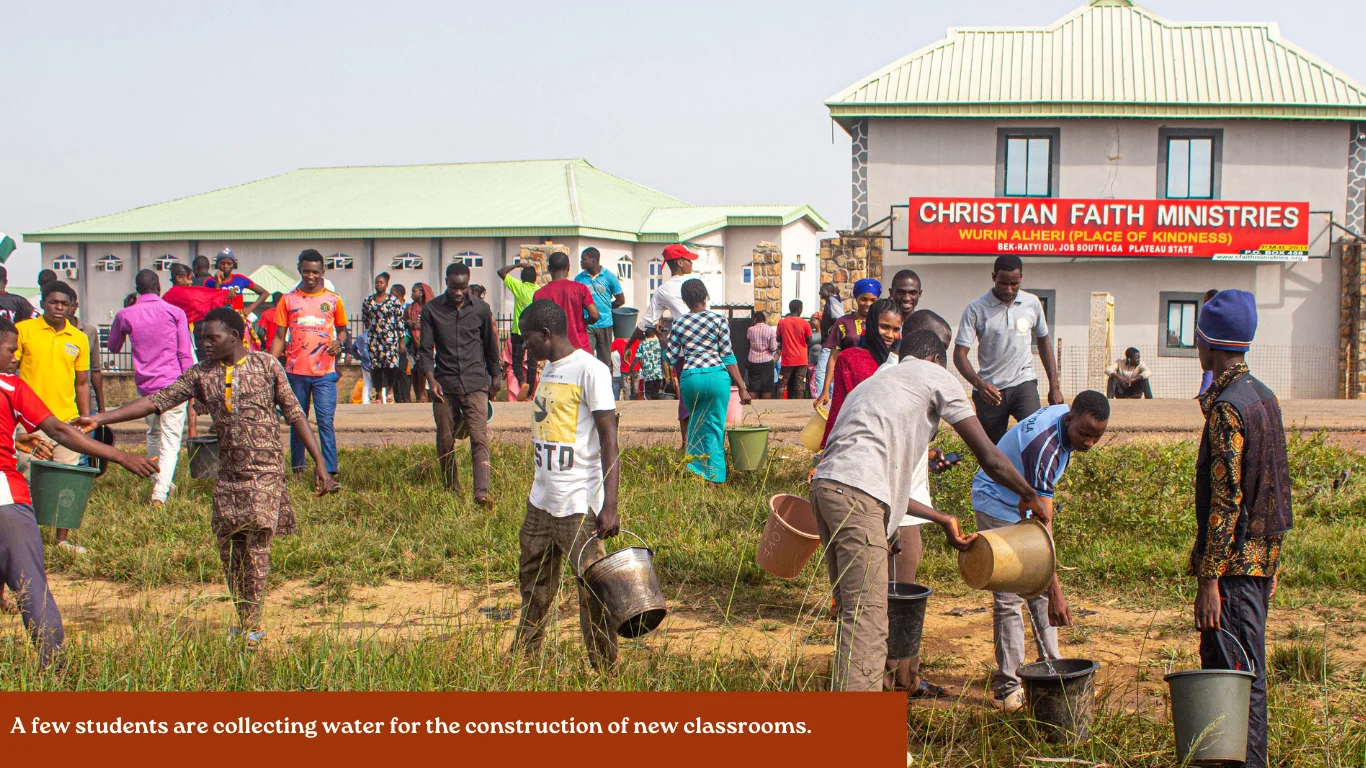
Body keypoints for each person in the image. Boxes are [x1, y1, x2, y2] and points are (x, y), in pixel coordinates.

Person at [811, 327, 1048, 692]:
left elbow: (876, 482)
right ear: (937, 358)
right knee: (871, 623)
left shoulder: (877, 384)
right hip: (857, 497)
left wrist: (939, 519)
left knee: (853, 614)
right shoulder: (936, 376)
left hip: (827, 491)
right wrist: (1028, 493)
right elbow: (989, 455)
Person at [83, 307, 336, 648]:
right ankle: (243, 612)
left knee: (257, 543)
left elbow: (295, 414)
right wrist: (100, 418)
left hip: (266, 472)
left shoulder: (266, 366)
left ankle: (251, 622)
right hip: (227, 474)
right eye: (201, 338)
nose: (204, 344)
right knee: (230, 548)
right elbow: (157, 401)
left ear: (234, 336)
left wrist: (319, 461)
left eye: (211, 338)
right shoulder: (201, 374)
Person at [0, 316, 157, 664]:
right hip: (5, 498)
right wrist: (119, 456)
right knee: (32, 589)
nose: (15, 358)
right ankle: (53, 668)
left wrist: (13, 437)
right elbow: (58, 429)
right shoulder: (10, 386)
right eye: (11, 350)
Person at [1190, 289, 1290, 768]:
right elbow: (1274, 487)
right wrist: (1272, 563)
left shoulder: (1229, 407)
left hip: (1230, 570)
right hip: (1256, 563)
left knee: (1234, 678)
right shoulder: (1263, 397)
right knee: (1247, 673)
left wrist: (1209, 581)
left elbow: (1227, 500)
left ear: (1207, 342)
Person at [971, 391, 1110, 711]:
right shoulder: (1044, 452)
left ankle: (1052, 669)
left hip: (1020, 501)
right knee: (1011, 594)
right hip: (996, 501)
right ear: (1070, 418)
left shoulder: (1067, 419)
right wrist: (1057, 592)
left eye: (1096, 437)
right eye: (1084, 434)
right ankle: (1008, 686)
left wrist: (1049, 586)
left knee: (1039, 585)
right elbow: (1043, 531)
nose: (1089, 442)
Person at [511, 299, 621, 668]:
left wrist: (610, 504)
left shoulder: (590, 370)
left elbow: (609, 438)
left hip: (578, 504)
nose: (525, 347)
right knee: (533, 584)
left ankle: (604, 668)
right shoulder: (550, 369)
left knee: (593, 589)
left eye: (528, 340)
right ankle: (525, 659)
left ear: (546, 335)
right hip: (541, 500)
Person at [882, 314, 958, 697]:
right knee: (900, 598)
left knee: (905, 596)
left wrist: (928, 456)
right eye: (937, 349)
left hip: (906, 502)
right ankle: (897, 682)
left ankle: (907, 677)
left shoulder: (899, 379)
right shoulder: (893, 378)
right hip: (898, 507)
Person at [107, 269, 195, 507]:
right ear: (158, 287)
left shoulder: (126, 314)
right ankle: (160, 493)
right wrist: (193, 386)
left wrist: (124, 312)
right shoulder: (175, 312)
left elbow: (114, 347)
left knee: (154, 434)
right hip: (174, 383)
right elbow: (184, 353)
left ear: (138, 289)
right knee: (171, 439)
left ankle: (161, 481)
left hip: (146, 387)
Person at [953, 255, 1063, 444]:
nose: (1009, 289)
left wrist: (1054, 386)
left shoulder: (1033, 303)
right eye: (1003, 283)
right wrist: (980, 385)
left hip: (1023, 383)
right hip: (991, 392)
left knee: (1036, 437)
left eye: (1014, 284)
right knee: (993, 451)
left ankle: (1029, 474)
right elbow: (959, 355)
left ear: (1021, 279)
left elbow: (1044, 344)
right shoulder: (976, 309)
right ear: (993, 277)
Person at [15, 281, 90, 552]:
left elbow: (82, 383)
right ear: (43, 303)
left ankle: (61, 541)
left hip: (66, 420)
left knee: (67, 481)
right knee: (27, 479)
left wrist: (86, 419)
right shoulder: (24, 331)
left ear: (72, 306)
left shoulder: (79, 338)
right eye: (53, 302)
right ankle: (26, 539)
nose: (59, 307)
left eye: (64, 303)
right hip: (30, 422)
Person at [420, 262, 501, 503]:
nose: (458, 292)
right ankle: (451, 490)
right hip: (444, 385)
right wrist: (430, 379)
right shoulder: (431, 310)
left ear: (468, 284)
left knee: (479, 438)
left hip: (475, 382)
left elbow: (490, 345)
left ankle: (482, 492)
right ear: (446, 282)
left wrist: (495, 377)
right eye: (454, 287)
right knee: (445, 441)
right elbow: (425, 351)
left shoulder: (481, 309)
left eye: (463, 287)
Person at [268, 250, 348, 481]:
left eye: (315, 271)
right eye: (306, 271)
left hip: (324, 373)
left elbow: (342, 331)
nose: (310, 276)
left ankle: (329, 470)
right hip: (295, 373)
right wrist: (271, 365)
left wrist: (338, 343)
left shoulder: (333, 300)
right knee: (296, 421)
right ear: (299, 270)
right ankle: (298, 469)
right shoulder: (288, 300)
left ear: (323, 272)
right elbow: (279, 337)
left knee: (325, 421)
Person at [667, 280, 752, 483]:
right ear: (705, 296)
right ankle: (716, 477)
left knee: (696, 424)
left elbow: (670, 357)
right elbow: (728, 356)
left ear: (685, 301)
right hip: (717, 377)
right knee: (715, 426)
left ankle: (697, 473)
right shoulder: (719, 320)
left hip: (692, 378)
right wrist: (742, 387)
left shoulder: (679, 322)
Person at [631, 245, 698, 448]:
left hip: (683, 349)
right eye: (688, 259)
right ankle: (703, 443)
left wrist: (629, 343)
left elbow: (646, 320)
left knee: (686, 395)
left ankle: (686, 443)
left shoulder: (663, 290)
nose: (691, 263)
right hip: (704, 347)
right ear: (679, 262)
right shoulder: (696, 283)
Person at [819, 299, 902, 447]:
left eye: (896, 329)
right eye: (884, 327)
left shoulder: (901, 363)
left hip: (892, 443)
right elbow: (838, 408)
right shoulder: (849, 359)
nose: (890, 335)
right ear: (871, 324)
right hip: (857, 442)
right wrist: (827, 450)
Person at [816, 278, 880, 410]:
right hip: (848, 382)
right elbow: (833, 357)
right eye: (864, 299)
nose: (868, 304)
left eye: (873, 300)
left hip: (875, 383)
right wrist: (826, 389)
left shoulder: (882, 323)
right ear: (856, 298)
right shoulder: (844, 322)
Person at [575, 247, 625, 368]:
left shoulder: (609, 277)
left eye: (584, 259)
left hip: (605, 324)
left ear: (593, 260)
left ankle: (607, 385)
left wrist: (607, 307)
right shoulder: (579, 279)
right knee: (587, 359)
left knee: (605, 361)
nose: (581, 262)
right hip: (587, 325)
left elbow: (621, 300)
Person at [362, 272, 404, 405]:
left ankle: (390, 390)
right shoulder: (368, 301)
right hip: (374, 338)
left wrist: (401, 341)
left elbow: (399, 321)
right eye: (377, 282)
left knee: (391, 366)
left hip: (390, 338)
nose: (379, 284)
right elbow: (365, 319)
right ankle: (379, 395)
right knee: (376, 367)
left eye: (381, 282)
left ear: (386, 285)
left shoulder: (393, 301)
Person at [498, 263, 539, 400]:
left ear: (522, 278)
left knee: (516, 360)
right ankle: (529, 394)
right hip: (534, 332)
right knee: (533, 362)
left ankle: (522, 382)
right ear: (535, 279)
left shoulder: (519, 287)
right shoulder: (539, 291)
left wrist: (518, 264)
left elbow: (501, 271)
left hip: (518, 331)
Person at [203, 248, 268, 325]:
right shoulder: (209, 282)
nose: (225, 266)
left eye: (229, 263)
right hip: (218, 322)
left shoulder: (240, 279)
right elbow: (210, 303)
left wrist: (249, 308)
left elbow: (264, 293)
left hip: (237, 321)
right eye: (222, 263)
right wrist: (217, 283)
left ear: (234, 265)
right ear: (217, 264)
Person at [776, 300, 812, 400]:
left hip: (787, 358)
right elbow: (809, 340)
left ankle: (778, 403)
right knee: (800, 383)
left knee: (782, 382)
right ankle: (798, 405)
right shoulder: (805, 323)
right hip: (801, 358)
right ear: (799, 309)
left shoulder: (782, 322)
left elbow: (778, 339)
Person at [406, 282, 434, 403]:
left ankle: (428, 394)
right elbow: (404, 321)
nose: (412, 294)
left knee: (426, 368)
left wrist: (421, 326)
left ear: (422, 292)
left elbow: (435, 323)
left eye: (414, 291)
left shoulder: (431, 307)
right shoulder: (410, 308)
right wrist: (408, 323)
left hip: (429, 342)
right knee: (416, 369)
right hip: (414, 344)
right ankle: (419, 394)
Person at [745, 311, 778, 400]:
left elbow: (748, 340)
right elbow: (773, 348)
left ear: (754, 319)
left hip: (753, 360)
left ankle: (750, 409)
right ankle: (765, 409)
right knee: (766, 388)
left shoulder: (750, 330)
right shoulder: (770, 330)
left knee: (753, 387)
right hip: (766, 361)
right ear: (764, 319)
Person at [389, 283, 411, 403]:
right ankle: (398, 397)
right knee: (394, 370)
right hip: (393, 342)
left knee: (403, 370)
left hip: (406, 343)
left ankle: (406, 396)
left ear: (399, 294)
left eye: (392, 292)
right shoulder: (391, 307)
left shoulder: (408, 307)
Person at [1197, 289, 1219, 397]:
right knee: (1209, 369)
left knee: (1211, 368)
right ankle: (1204, 392)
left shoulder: (1211, 310)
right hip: (1209, 341)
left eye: (1206, 298)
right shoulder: (1210, 310)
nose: (1205, 301)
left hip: (1212, 342)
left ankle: (1205, 393)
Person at [638, 325, 667, 400]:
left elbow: (639, 359)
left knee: (647, 392)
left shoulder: (642, 345)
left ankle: (648, 407)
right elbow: (663, 360)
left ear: (646, 335)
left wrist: (643, 368)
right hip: (658, 372)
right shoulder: (659, 344)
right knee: (655, 393)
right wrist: (666, 374)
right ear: (654, 334)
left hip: (648, 372)